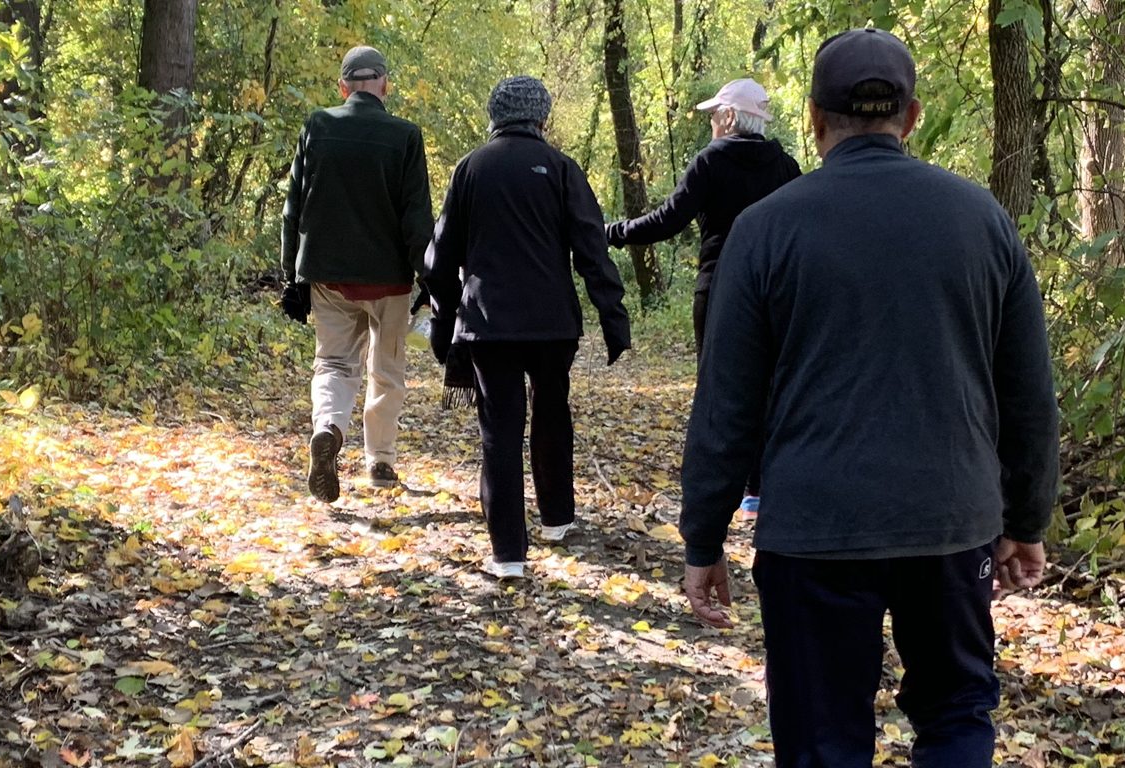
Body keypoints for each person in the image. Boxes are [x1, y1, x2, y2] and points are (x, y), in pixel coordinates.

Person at [678, 29, 1058, 766]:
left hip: (813, 529)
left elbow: (726, 406)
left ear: (815, 121)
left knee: (822, 737)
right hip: (951, 521)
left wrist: (704, 537)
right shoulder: (981, 219)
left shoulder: (764, 230)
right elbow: (1028, 392)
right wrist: (1025, 517)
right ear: (911, 117)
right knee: (957, 714)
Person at [424, 76, 631, 579]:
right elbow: (591, 246)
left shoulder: (470, 168)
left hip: (488, 323)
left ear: (494, 115)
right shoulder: (561, 168)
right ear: (542, 117)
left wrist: (444, 321)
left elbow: (441, 255)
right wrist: (612, 316)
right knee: (552, 412)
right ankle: (557, 519)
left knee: (500, 429)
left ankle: (508, 555)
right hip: (552, 323)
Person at [606, 77, 801, 517]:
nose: (712, 122)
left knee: (718, 390)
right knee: (770, 385)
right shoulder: (786, 168)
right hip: (775, 292)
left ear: (730, 117)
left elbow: (666, 220)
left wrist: (610, 233)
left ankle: (716, 492)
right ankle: (759, 488)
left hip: (719, 290)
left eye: (715, 114)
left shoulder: (711, 161)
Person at [279, 45, 434, 503]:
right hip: (389, 280)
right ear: (385, 84)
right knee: (386, 370)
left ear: (342, 87)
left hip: (329, 277)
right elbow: (417, 218)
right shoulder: (406, 136)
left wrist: (291, 276)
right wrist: (430, 280)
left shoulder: (317, 126)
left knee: (333, 363)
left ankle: (328, 427)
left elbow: (293, 207)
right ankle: (380, 461)